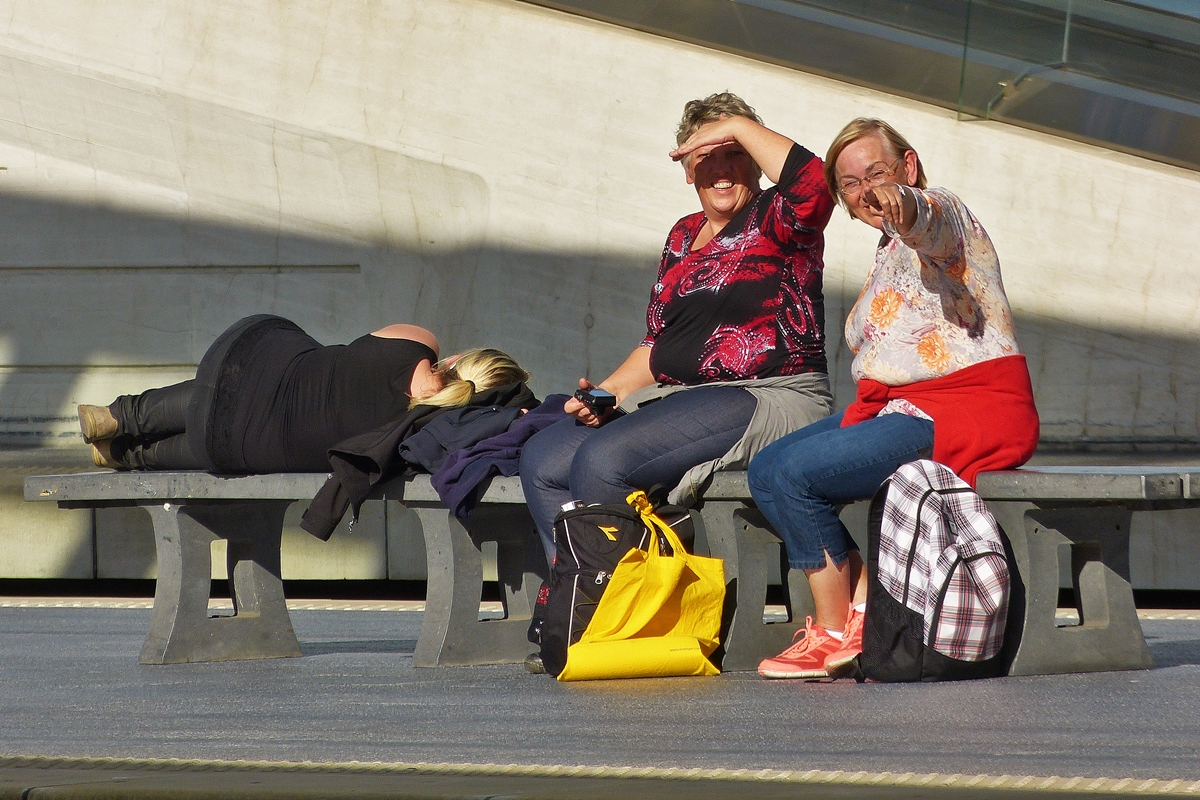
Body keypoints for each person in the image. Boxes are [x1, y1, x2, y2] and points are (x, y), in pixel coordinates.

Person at [747, 118, 1039, 680]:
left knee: (795, 474)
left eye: (876, 173)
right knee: (765, 469)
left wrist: (902, 203)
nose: (866, 192)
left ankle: (835, 629)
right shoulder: (886, 254)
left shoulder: (946, 216)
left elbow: (928, 217)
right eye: (850, 184)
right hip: (899, 407)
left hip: (962, 408)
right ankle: (865, 604)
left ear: (908, 165)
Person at [519, 93, 836, 560]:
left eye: (735, 152)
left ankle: (631, 599)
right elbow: (658, 343)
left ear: (756, 161)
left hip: (772, 394)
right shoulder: (683, 234)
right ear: (688, 170)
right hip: (684, 399)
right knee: (544, 459)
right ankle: (578, 588)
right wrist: (604, 395)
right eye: (706, 156)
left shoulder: (778, 217)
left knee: (604, 460)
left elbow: (817, 184)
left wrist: (737, 125)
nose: (722, 168)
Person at [77, 314, 529, 474]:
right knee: (235, 425)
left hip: (240, 368)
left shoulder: (418, 345)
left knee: (262, 379)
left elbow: (396, 336)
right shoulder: (430, 434)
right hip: (233, 450)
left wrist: (435, 365)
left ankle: (118, 416)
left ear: (459, 360)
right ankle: (122, 454)